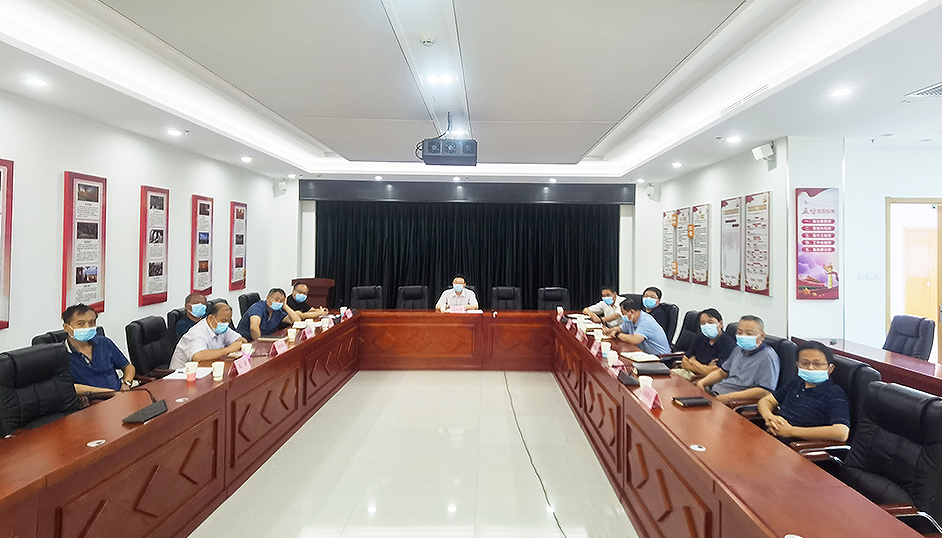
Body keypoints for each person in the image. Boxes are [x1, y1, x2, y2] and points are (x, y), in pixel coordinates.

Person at [757, 341, 850, 443]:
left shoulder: (835, 393)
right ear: (797, 365)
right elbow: (766, 401)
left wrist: (791, 431)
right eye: (805, 363)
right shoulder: (796, 382)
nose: (810, 368)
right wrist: (770, 418)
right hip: (772, 438)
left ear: (830, 368)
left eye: (817, 364)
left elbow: (841, 433)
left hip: (796, 446)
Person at [697, 315, 780, 405]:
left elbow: (765, 391)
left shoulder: (768, 357)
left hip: (734, 402)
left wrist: (729, 397)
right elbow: (722, 372)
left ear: (762, 336)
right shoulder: (738, 349)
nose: (743, 336)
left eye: (749, 334)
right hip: (716, 394)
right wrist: (702, 382)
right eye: (740, 332)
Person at [61, 304, 135, 394]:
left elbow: (128, 367)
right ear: (66, 327)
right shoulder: (60, 354)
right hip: (93, 399)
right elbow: (67, 387)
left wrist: (126, 384)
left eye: (91, 323)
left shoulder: (104, 342)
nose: (87, 327)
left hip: (119, 395)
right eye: (80, 324)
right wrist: (106, 392)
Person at [170, 301, 248, 369]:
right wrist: (227, 350)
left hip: (205, 369)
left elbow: (241, 340)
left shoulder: (221, 327)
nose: (226, 324)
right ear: (210, 318)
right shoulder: (197, 333)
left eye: (228, 321)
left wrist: (240, 342)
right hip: (181, 374)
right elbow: (197, 356)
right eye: (224, 321)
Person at [674, 308, 736, 380]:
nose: (707, 325)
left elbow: (713, 373)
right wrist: (705, 367)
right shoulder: (701, 337)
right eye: (703, 323)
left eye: (710, 322)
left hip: (706, 380)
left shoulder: (728, 344)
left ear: (721, 324)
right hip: (688, 372)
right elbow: (684, 362)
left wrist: (693, 361)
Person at [602, 296, 671, 355]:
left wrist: (617, 334)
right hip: (644, 354)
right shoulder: (631, 319)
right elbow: (620, 328)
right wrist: (609, 331)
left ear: (632, 312)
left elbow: (635, 340)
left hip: (660, 358)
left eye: (624, 314)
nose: (623, 316)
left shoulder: (646, 321)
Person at [236, 288, 301, 341]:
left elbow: (297, 321)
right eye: (276, 299)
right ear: (268, 298)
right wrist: (258, 343)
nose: (278, 302)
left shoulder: (278, 312)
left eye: (281, 301)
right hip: (246, 341)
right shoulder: (257, 307)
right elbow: (254, 328)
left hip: (266, 340)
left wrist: (285, 306)